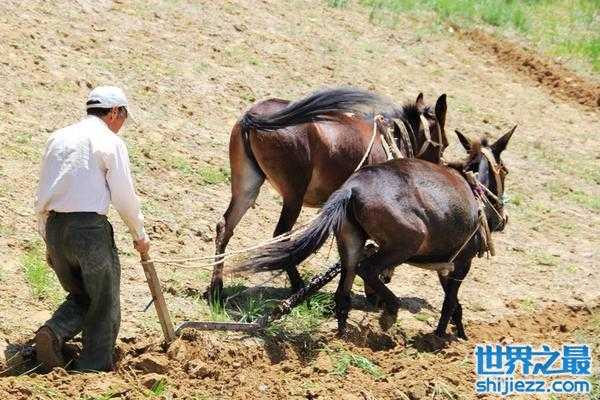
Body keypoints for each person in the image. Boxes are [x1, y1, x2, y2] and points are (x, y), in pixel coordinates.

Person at [33, 85, 150, 372]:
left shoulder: (57, 138)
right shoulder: (110, 142)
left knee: (83, 296)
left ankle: (53, 331)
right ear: (115, 112)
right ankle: (93, 369)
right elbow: (124, 197)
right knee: (104, 301)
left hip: (55, 228)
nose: (122, 124)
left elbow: (42, 194)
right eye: (124, 117)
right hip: (89, 232)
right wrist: (139, 234)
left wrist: (47, 240)